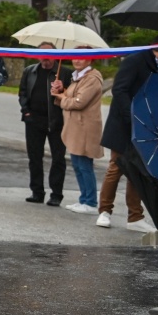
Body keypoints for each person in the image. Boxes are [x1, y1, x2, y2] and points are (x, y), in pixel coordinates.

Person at [98, 38, 158, 231]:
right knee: (116, 167)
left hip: (147, 128)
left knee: (139, 170)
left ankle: (135, 217)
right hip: (124, 125)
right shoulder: (134, 60)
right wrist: (133, 116)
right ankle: (104, 211)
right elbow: (119, 90)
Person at [18, 43, 72, 206]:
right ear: (37, 55)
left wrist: (63, 89)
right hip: (34, 120)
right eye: (42, 54)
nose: (45, 57)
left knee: (58, 158)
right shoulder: (30, 71)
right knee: (34, 157)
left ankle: (56, 194)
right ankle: (37, 191)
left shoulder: (64, 72)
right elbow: (22, 92)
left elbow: (72, 94)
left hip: (57, 121)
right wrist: (26, 111)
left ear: (55, 55)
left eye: (49, 53)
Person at [52, 49, 104, 214]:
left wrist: (61, 98)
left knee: (84, 165)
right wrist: (61, 90)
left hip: (85, 127)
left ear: (91, 60)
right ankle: (84, 199)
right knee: (77, 164)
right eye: (75, 57)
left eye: (82, 57)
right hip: (76, 127)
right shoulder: (78, 76)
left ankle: (90, 202)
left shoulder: (92, 78)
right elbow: (71, 96)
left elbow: (78, 102)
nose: (77, 60)